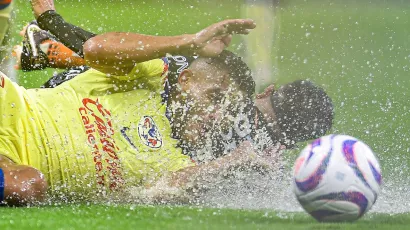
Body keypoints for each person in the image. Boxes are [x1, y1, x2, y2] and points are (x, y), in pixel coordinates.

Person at [14, 0, 334, 160]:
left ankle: (49, 49)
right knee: (141, 65)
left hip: (94, 126)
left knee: (142, 62)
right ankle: (50, 51)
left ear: (269, 91)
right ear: (292, 144)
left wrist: (53, 21)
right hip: (91, 118)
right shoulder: (267, 158)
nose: (223, 113)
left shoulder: (200, 82)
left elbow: (103, 46)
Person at [1, 14, 265, 206]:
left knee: (28, 186)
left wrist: (233, 162)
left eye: (227, 109)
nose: (216, 114)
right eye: (214, 97)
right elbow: (95, 48)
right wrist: (188, 43)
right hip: (8, 105)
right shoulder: (150, 77)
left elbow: (167, 189)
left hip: (13, 164)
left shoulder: (180, 164)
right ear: (185, 80)